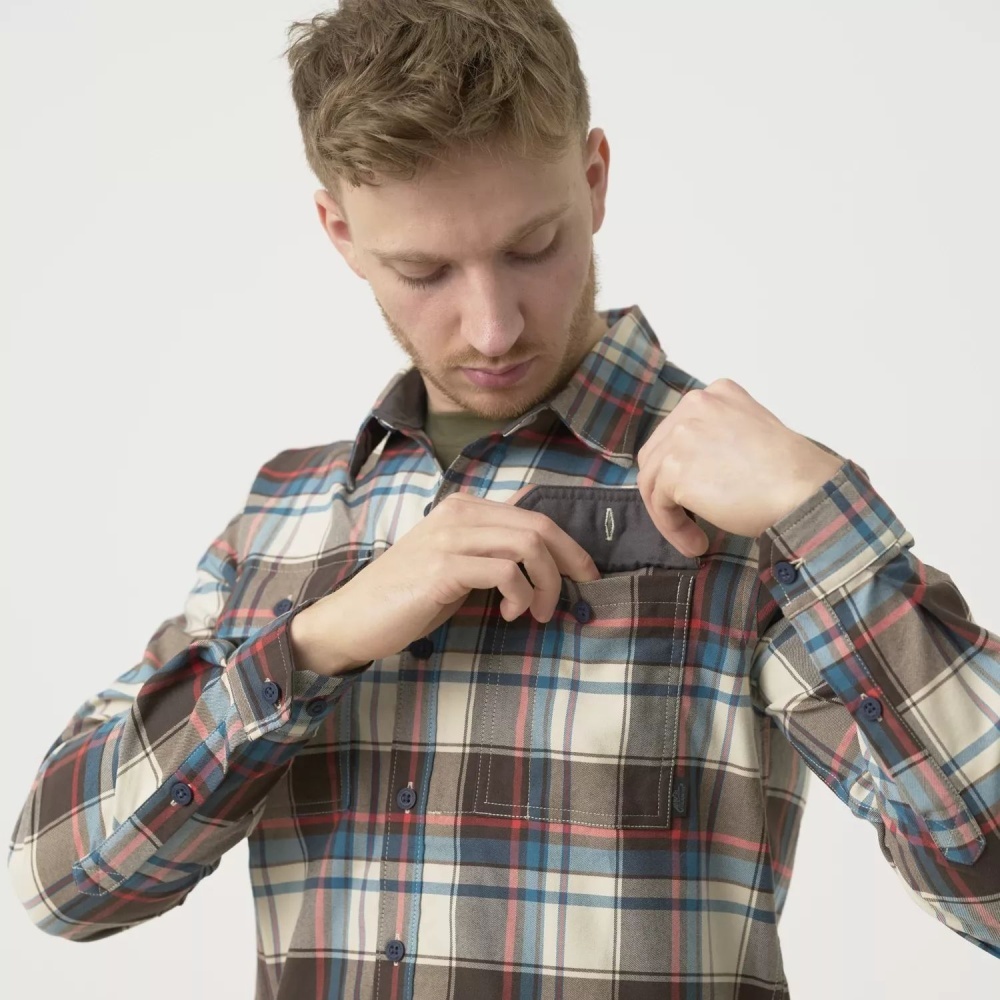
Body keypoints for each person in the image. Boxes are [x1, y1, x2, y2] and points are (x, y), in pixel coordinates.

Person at [9, 1, 1000, 997]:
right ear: (341, 231)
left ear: (594, 179)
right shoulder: (283, 519)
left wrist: (820, 514)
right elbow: (62, 885)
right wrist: (314, 644)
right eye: (424, 270)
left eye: (532, 247)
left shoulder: (746, 510)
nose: (490, 328)